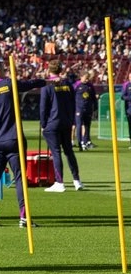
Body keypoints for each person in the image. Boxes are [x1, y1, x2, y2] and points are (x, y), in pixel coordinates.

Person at [0, 59, 44, 226]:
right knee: (19, 178)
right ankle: (24, 217)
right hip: (14, 140)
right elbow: (30, 84)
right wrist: (46, 81)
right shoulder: (9, 84)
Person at [39, 60, 83, 193]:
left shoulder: (47, 86)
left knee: (56, 152)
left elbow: (43, 108)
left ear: (49, 70)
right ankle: (77, 181)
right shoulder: (68, 84)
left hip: (53, 123)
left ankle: (59, 182)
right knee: (69, 151)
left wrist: (43, 124)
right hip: (66, 122)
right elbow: (72, 102)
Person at [73, 69, 97, 151]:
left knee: (87, 126)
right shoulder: (76, 85)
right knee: (79, 125)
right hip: (78, 109)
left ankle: (86, 141)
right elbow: (71, 96)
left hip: (88, 109)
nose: (87, 80)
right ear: (81, 77)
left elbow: (93, 97)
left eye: (88, 78)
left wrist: (95, 107)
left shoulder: (90, 86)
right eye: (85, 78)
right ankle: (80, 142)